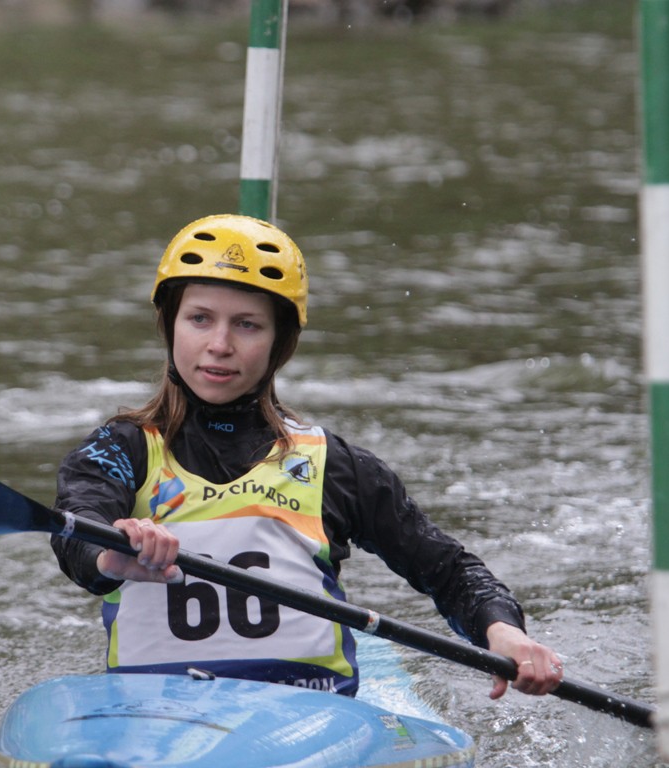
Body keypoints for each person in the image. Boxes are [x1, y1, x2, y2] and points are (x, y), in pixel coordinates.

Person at [50, 213, 563, 699]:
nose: (220, 344)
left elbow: (449, 570)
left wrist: (503, 631)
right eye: (200, 319)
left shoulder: (331, 465)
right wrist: (111, 555)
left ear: (280, 342)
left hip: (309, 716)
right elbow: (76, 529)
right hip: (154, 714)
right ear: (170, 325)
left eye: (247, 325)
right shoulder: (121, 450)